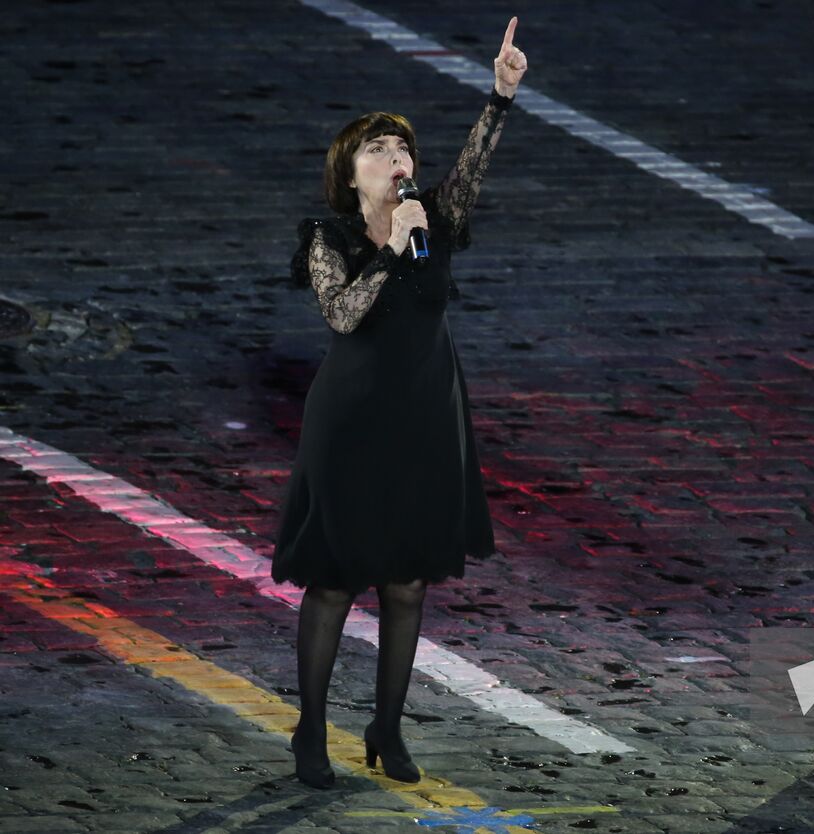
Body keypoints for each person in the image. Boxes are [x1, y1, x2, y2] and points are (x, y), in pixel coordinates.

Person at [271, 18, 527, 789]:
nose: (394, 159)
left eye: (401, 149)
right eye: (376, 151)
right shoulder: (331, 234)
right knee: (337, 578)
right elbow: (343, 314)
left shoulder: (435, 221)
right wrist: (387, 249)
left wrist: (501, 97)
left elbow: (474, 171)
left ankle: (387, 725)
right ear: (350, 175)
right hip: (352, 421)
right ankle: (310, 731)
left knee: (409, 580)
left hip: (424, 412)